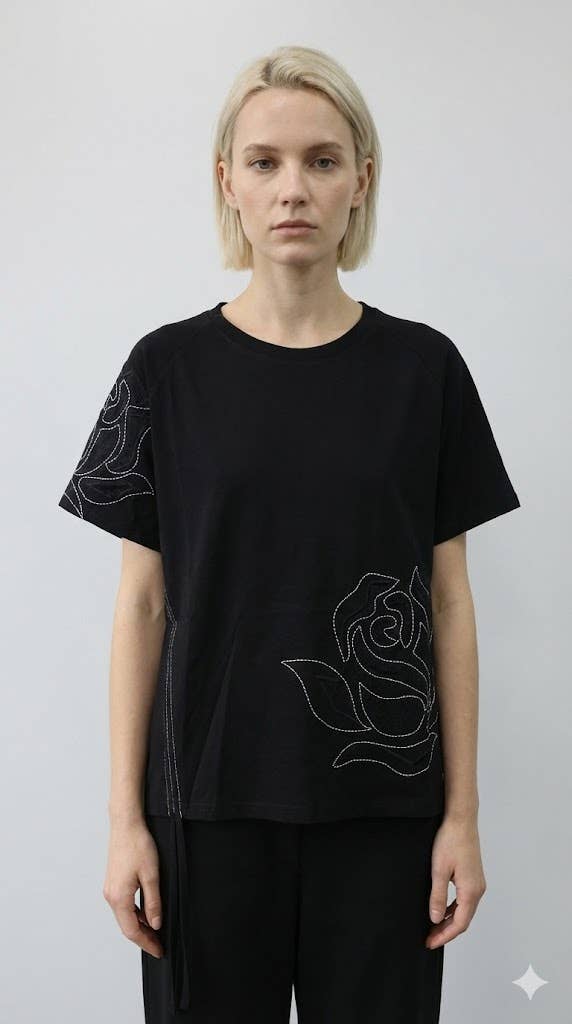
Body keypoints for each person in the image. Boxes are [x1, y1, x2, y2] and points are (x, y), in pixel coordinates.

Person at [57, 44, 521, 1024]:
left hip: (385, 813)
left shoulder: (424, 372)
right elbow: (142, 604)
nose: (292, 189)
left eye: (321, 160)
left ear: (362, 180)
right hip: (203, 807)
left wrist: (462, 817)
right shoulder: (165, 371)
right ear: (227, 181)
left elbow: (448, 602)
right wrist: (124, 820)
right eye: (264, 162)